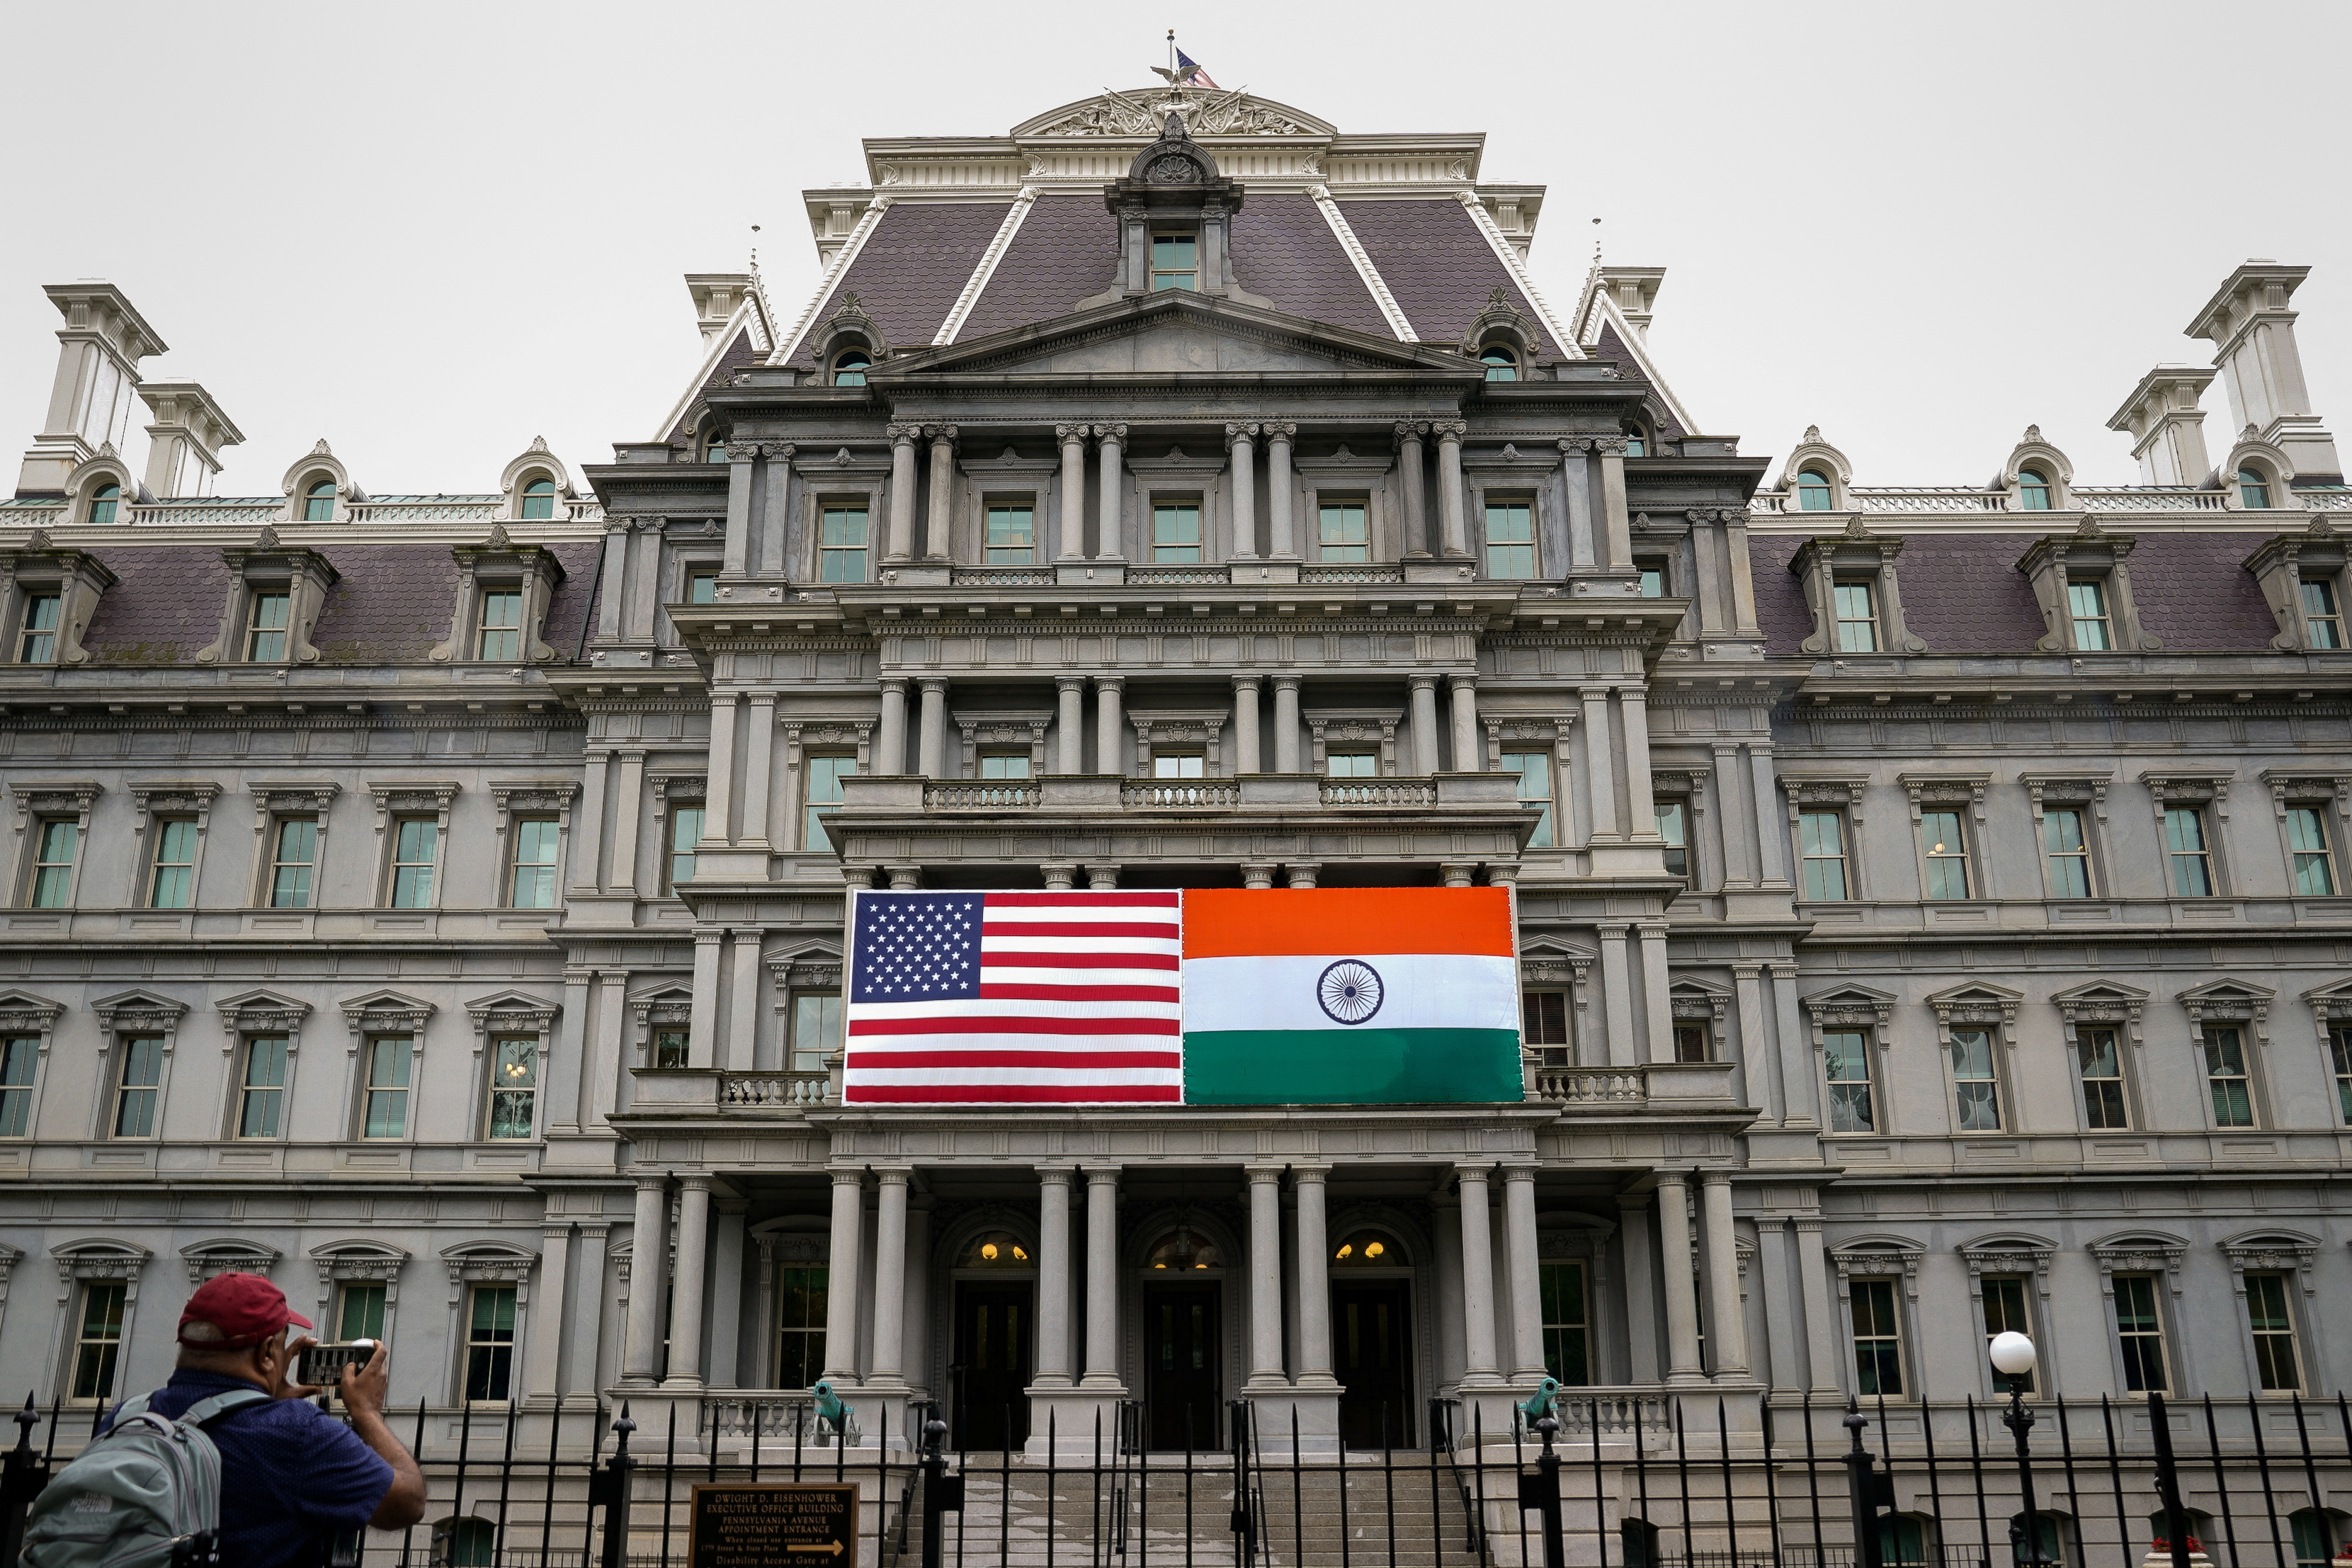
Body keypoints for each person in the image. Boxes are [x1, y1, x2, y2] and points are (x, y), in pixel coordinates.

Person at [99, 1271, 425, 1566]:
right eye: (281, 1346)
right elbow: (407, 1503)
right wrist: (366, 1412)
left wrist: (263, 1400)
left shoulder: (126, 1416)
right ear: (267, 1352)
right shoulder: (298, 1431)